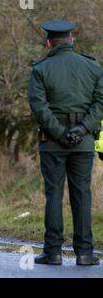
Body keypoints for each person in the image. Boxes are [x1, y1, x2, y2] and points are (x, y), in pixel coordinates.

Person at [28, 20, 103, 266]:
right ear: (71, 41)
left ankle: (53, 252)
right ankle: (84, 253)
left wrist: (61, 133)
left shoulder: (40, 69)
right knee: (82, 195)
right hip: (83, 142)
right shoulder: (93, 67)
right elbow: (100, 103)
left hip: (52, 142)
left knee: (54, 195)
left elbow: (39, 107)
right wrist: (82, 129)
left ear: (49, 43)